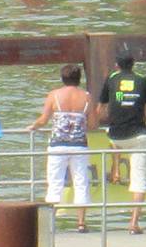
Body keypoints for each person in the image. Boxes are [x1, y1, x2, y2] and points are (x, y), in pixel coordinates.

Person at [21, 62, 95, 228]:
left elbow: (43, 119)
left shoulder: (54, 95)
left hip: (58, 145)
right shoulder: (87, 97)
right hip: (79, 145)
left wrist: (33, 126)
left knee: (55, 183)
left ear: (63, 78)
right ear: (79, 78)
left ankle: (50, 223)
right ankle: (81, 223)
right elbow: (92, 124)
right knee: (81, 182)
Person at [98, 53, 146, 233]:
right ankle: (133, 223)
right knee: (139, 180)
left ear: (117, 65)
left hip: (116, 134)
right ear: (133, 64)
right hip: (138, 135)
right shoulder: (142, 79)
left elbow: (101, 107)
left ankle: (115, 168)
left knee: (113, 141)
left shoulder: (111, 79)